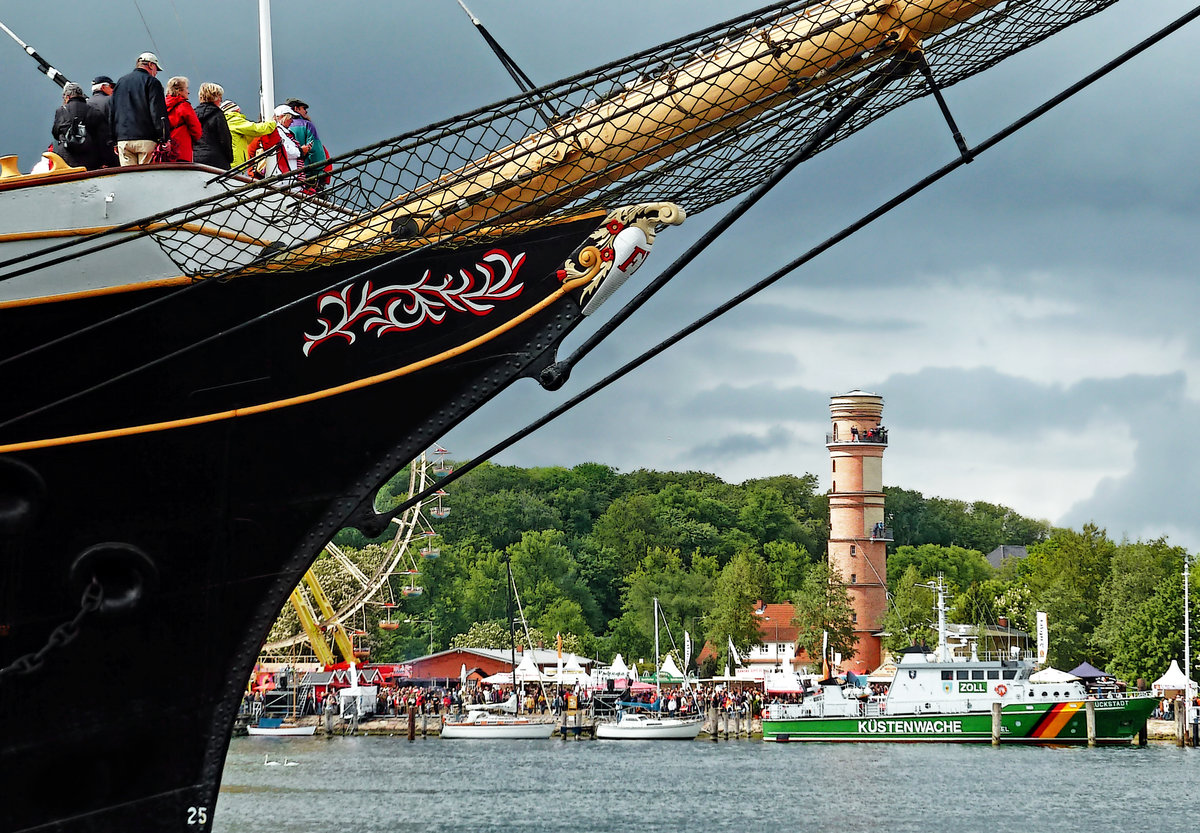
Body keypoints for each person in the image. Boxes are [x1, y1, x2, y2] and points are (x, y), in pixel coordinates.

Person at [109, 52, 168, 165]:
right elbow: (157, 112)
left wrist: (113, 140)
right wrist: (163, 138)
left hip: (123, 139)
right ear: (151, 65)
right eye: (156, 69)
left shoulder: (121, 82)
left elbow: (112, 112)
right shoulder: (152, 82)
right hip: (146, 139)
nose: (156, 73)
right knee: (146, 177)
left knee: (129, 178)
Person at [51, 82, 105, 170]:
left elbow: (55, 133)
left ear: (67, 97)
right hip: (90, 159)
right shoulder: (94, 111)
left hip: (67, 158)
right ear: (81, 95)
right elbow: (102, 137)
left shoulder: (61, 111)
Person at [284, 97, 332, 188]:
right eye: (304, 108)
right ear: (296, 109)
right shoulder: (307, 125)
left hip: (285, 177)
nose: (306, 111)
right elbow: (315, 151)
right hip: (306, 176)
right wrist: (318, 173)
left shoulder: (278, 128)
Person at [220, 100, 275, 168]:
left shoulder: (225, 122)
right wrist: (273, 123)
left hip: (232, 163)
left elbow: (249, 137)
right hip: (236, 165)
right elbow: (256, 129)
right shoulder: (233, 120)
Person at [192, 83, 233, 169]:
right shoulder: (218, 114)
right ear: (215, 98)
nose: (221, 101)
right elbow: (224, 139)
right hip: (216, 160)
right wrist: (229, 159)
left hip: (195, 159)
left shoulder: (192, 114)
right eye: (220, 98)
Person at [163, 76, 202, 162]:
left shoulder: (162, 106)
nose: (188, 92)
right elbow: (196, 130)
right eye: (186, 89)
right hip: (182, 150)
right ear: (179, 91)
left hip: (166, 151)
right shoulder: (184, 106)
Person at [88, 75, 119, 167]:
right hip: (110, 148)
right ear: (102, 87)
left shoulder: (86, 103)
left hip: (92, 151)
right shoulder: (111, 101)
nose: (113, 90)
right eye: (111, 86)